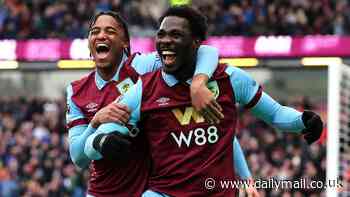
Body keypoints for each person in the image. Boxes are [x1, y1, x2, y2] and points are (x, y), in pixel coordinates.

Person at [85, 6, 323, 196]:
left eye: (176, 35)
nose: (165, 41)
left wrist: (303, 121)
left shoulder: (229, 79)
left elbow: (275, 114)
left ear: (196, 43)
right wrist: (102, 142)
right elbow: (93, 141)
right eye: (161, 35)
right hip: (165, 193)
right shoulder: (144, 89)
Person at [66, 11, 257, 197]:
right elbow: (78, 157)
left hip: (150, 188)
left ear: (125, 42)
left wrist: (198, 82)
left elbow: (205, 51)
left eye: (110, 31)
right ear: (89, 43)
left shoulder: (142, 66)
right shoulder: (76, 91)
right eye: (95, 31)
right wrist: (96, 122)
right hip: (103, 191)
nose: (101, 35)